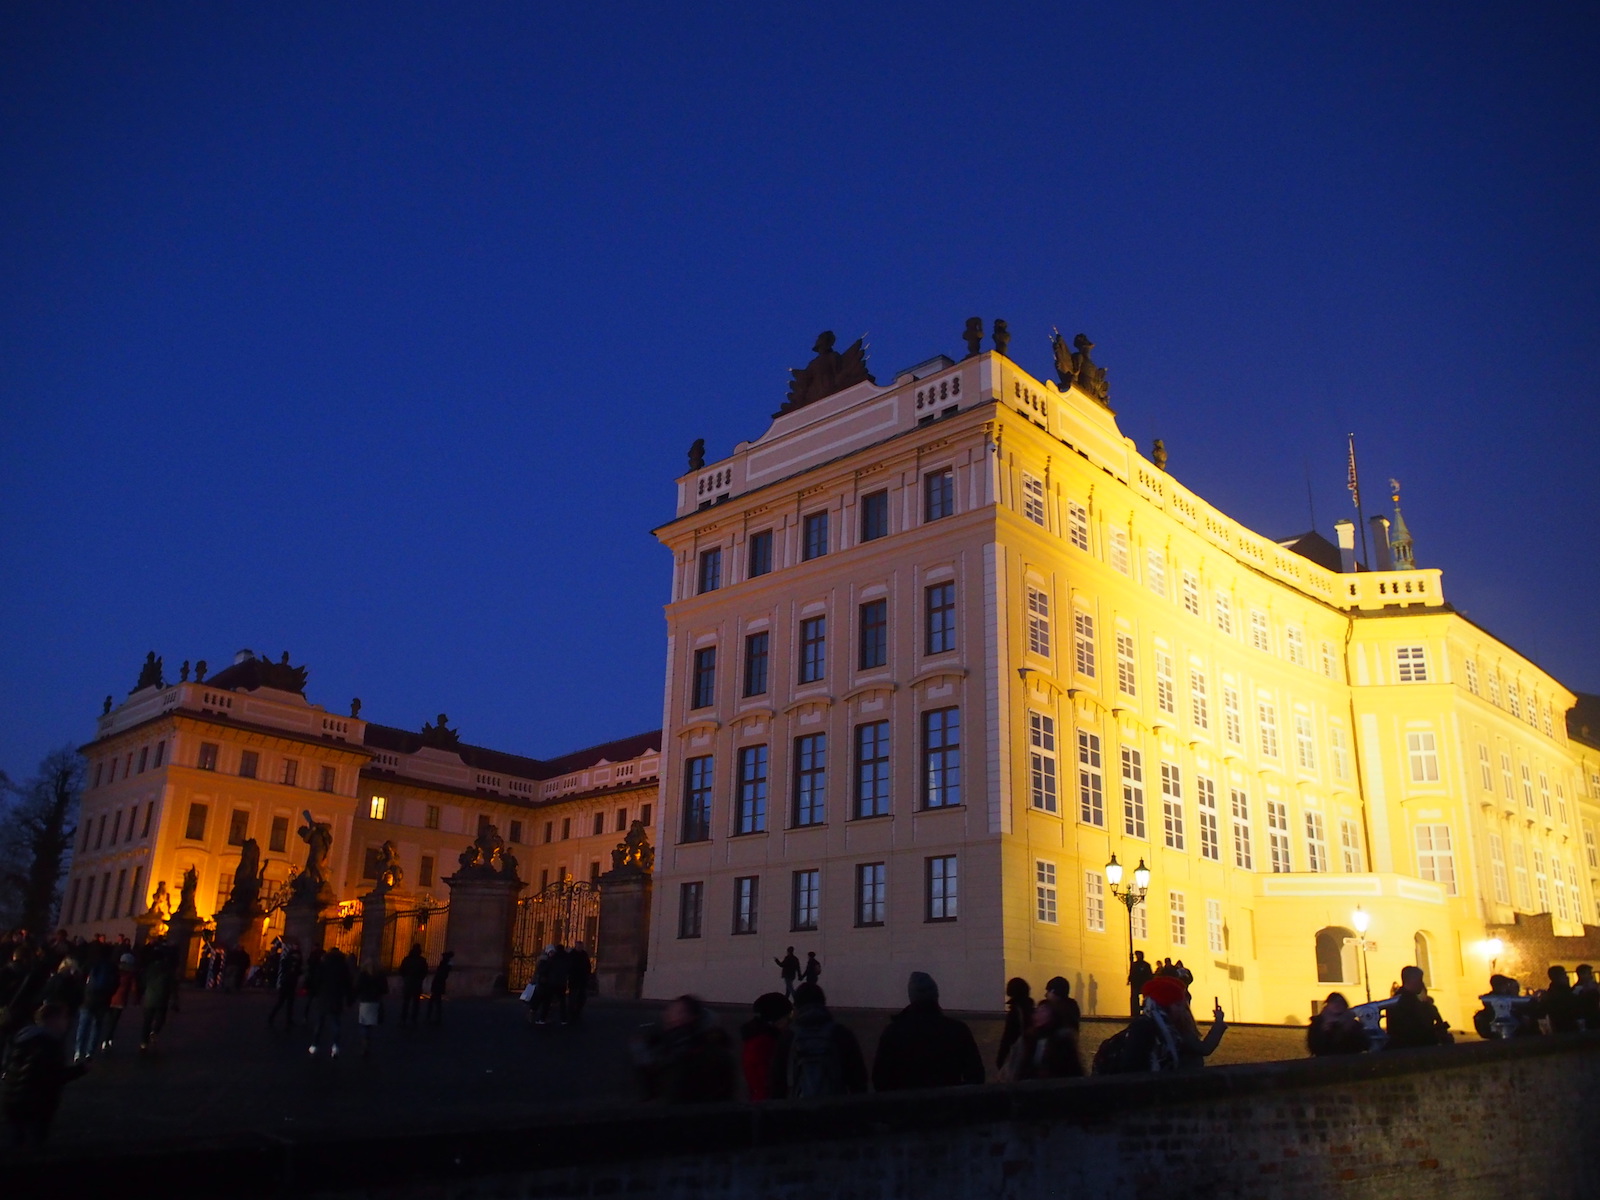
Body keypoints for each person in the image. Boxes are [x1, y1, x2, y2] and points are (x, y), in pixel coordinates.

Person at [871, 972, 985, 1091]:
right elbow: (976, 1075)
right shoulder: (958, 1030)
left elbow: (880, 1079)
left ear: (911, 996)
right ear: (936, 995)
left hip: (906, 1101)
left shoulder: (893, 1032)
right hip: (947, 1101)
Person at [2, 1003, 87, 1147]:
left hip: (12, 1098)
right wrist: (80, 1070)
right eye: (64, 1018)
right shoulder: (48, 1044)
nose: (67, 1023)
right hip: (35, 1103)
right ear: (53, 1020)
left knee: (15, 1141)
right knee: (34, 1143)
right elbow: (52, 1076)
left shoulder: (24, 1036)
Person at [631, 995, 739, 1103]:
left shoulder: (695, 1050)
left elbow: (674, 1089)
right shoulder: (666, 1043)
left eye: (678, 1012)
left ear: (691, 1017)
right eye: (670, 1011)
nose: (669, 1016)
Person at [773, 983, 867, 1100]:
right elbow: (858, 1079)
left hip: (799, 1107)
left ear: (796, 1006)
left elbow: (777, 1083)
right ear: (823, 1003)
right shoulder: (840, 1033)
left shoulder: (789, 1036)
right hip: (834, 1106)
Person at [1124, 976, 1227, 1071]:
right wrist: (1219, 1023)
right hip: (1183, 1078)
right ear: (1166, 1006)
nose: (1182, 1009)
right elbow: (1204, 1048)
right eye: (1178, 1004)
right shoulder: (1176, 1027)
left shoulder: (1157, 1023)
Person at [1004, 998, 1084, 1081]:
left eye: (1043, 1011)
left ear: (1053, 1015)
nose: (1039, 1014)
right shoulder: (1029, 1039)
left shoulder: (1062, 1040)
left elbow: (1072, 1068)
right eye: (1037, 1011)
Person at [1384, 966, 1452, 1049]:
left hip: (1406, 1048)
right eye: (1420, 980)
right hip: (1413, 1049)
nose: (1422, 983)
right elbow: (1417, 1030)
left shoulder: (1396, 1000)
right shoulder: (1408, 1002)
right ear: (1413, 980)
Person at [739, 993, 791, 1101]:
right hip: (768, 1105)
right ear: (776, 1019)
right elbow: (768, 1082)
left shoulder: (755, 1038)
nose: (789, 1022)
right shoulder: (765, 1043)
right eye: (788, 1017)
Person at [308, 946, 351, 1057]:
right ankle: (335, 1046)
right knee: (336, 1023)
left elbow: (316, 980)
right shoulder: (343, 966)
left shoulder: (323, 965)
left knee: (319, 1023)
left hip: (323, 996)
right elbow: (347, 984)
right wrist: (349, 998)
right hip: (337, 997)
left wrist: (316, 992)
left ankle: (315, 1045)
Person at [138, 942, 176, 1052]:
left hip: (149, 997)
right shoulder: (167, 969)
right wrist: (174, 998)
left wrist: (141, 994)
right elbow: (172, 984)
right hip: (162, 998)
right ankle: (155, 1031)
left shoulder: (148, 968)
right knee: (161, 1018)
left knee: (147, 1021)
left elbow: (142, 982)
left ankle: (144, 1042)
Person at [996, 977, 1035, 1072]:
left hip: (1019, 1050)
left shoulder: (1015, 1012)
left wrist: (1001, 1058)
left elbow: (1007, 1037)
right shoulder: (1031, 1009)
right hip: (1031, 1051)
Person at [104, 951, 139, 1050]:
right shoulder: (130, 974)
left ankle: (106, 1037)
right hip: (121, 999)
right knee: (114, 1021)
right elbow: (134, 988)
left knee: (108, 1019)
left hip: (110, 997)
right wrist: (135, 999)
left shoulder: (114, 970)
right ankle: (108, 1038)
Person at [267, 940, 304, 1030]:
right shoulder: (289, 957)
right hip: (287, 982)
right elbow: (285, 967)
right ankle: (272, 1017)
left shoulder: (296, 957)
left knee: (289, 1003)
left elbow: (297, 968)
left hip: (291, 982)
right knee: (282, 1002)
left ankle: (288, 1020)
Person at [354, 959, 388, 1056]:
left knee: (364, 1024)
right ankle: (367, 1042)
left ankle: (365, 1042)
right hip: (376, 1001)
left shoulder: (363, 975)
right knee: (370, 1023)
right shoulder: (380, 975)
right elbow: (385, 989)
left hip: (365, 1001)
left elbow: (357, 987)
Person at [1536, 965, 1580, 1033]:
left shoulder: (1551, 993)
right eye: (1564, 975)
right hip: (1566, 1028)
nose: (1567, 977)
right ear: (1557, 977)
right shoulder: (1560, 994)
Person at [532, 944, 570, 1025]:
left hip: (552, 983)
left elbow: (543, 970)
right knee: (562, 1001)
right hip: (561, 983)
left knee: (547, 1001)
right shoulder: (565, 959)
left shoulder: (551, 960)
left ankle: (542, 1018)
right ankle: (563, 1019)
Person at [396, 944, 429, 1025]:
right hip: (417, 983)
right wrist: (420, 978)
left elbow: (401, 970)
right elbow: (425, 971)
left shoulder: (407, 959)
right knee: (416, 1003)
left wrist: (405, 977)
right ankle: (413, 1020)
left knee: (406, 1002)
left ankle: (403, 1019)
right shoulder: (422, 960)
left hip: (408, 982)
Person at [567, 943, 592, 1025]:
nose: (580, 948)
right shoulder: (572, 954)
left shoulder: (584, 954)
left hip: (583, 979)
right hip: (574, 979)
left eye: (581, 946)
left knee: (582, 996)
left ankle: (578, 1010)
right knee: (573, 996)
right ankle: (572, 1011)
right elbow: (569, 966)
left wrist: (588, 974)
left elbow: (588, 965)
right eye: (578, 946)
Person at [426, 951, 453, 1024]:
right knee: (436, 1001)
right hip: (439, 983)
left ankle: (433, 1018)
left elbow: (441, 974)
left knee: (434, 1001)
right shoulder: (447, 964)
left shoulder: (445, 964)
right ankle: (436, 1018)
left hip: (438, 983)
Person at [1573, 964, 1599, 1031]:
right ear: (1581, 975)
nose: (1591, 976)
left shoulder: (1593, 987)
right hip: (1588, 1022)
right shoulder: (1577, 990)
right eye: (1589, 973)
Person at [1126, 951, 1154, 1016]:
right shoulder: (1134, 964)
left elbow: (1149, 975)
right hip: (1136, 984)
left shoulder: (1146, 965)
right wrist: (1129, 980)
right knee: (1135, 997)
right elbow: (1131, 973)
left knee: (1146, 998)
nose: (1137, 956)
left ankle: (1146, 1010)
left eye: (1138, 955)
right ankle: (1136, 1011)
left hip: (1143, 984)